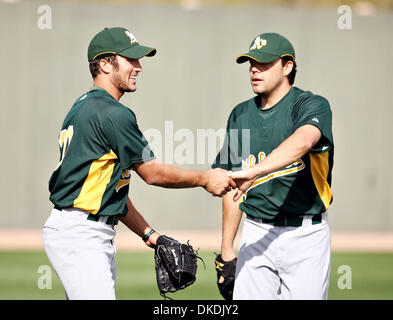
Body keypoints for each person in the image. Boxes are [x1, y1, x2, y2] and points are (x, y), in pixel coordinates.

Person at [42, 27, 235, 300]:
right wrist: (205, 179)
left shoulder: (83, 106)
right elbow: (153, 174)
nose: (139, 67)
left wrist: (150, 235)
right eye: (131, 59)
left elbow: (110, 192)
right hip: (81, 234)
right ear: (105, 64)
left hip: (80, 229)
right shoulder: (111, 112)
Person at [212, 32, 334, 300]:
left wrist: (254, 172)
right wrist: (227, 248)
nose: (255, 69)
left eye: (264, 63)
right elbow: (234, 188)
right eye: (251, 63)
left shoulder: (311, 105)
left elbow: (303, 141)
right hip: (256, 232)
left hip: (306, 236)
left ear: (287, 66)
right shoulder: (241, 114)